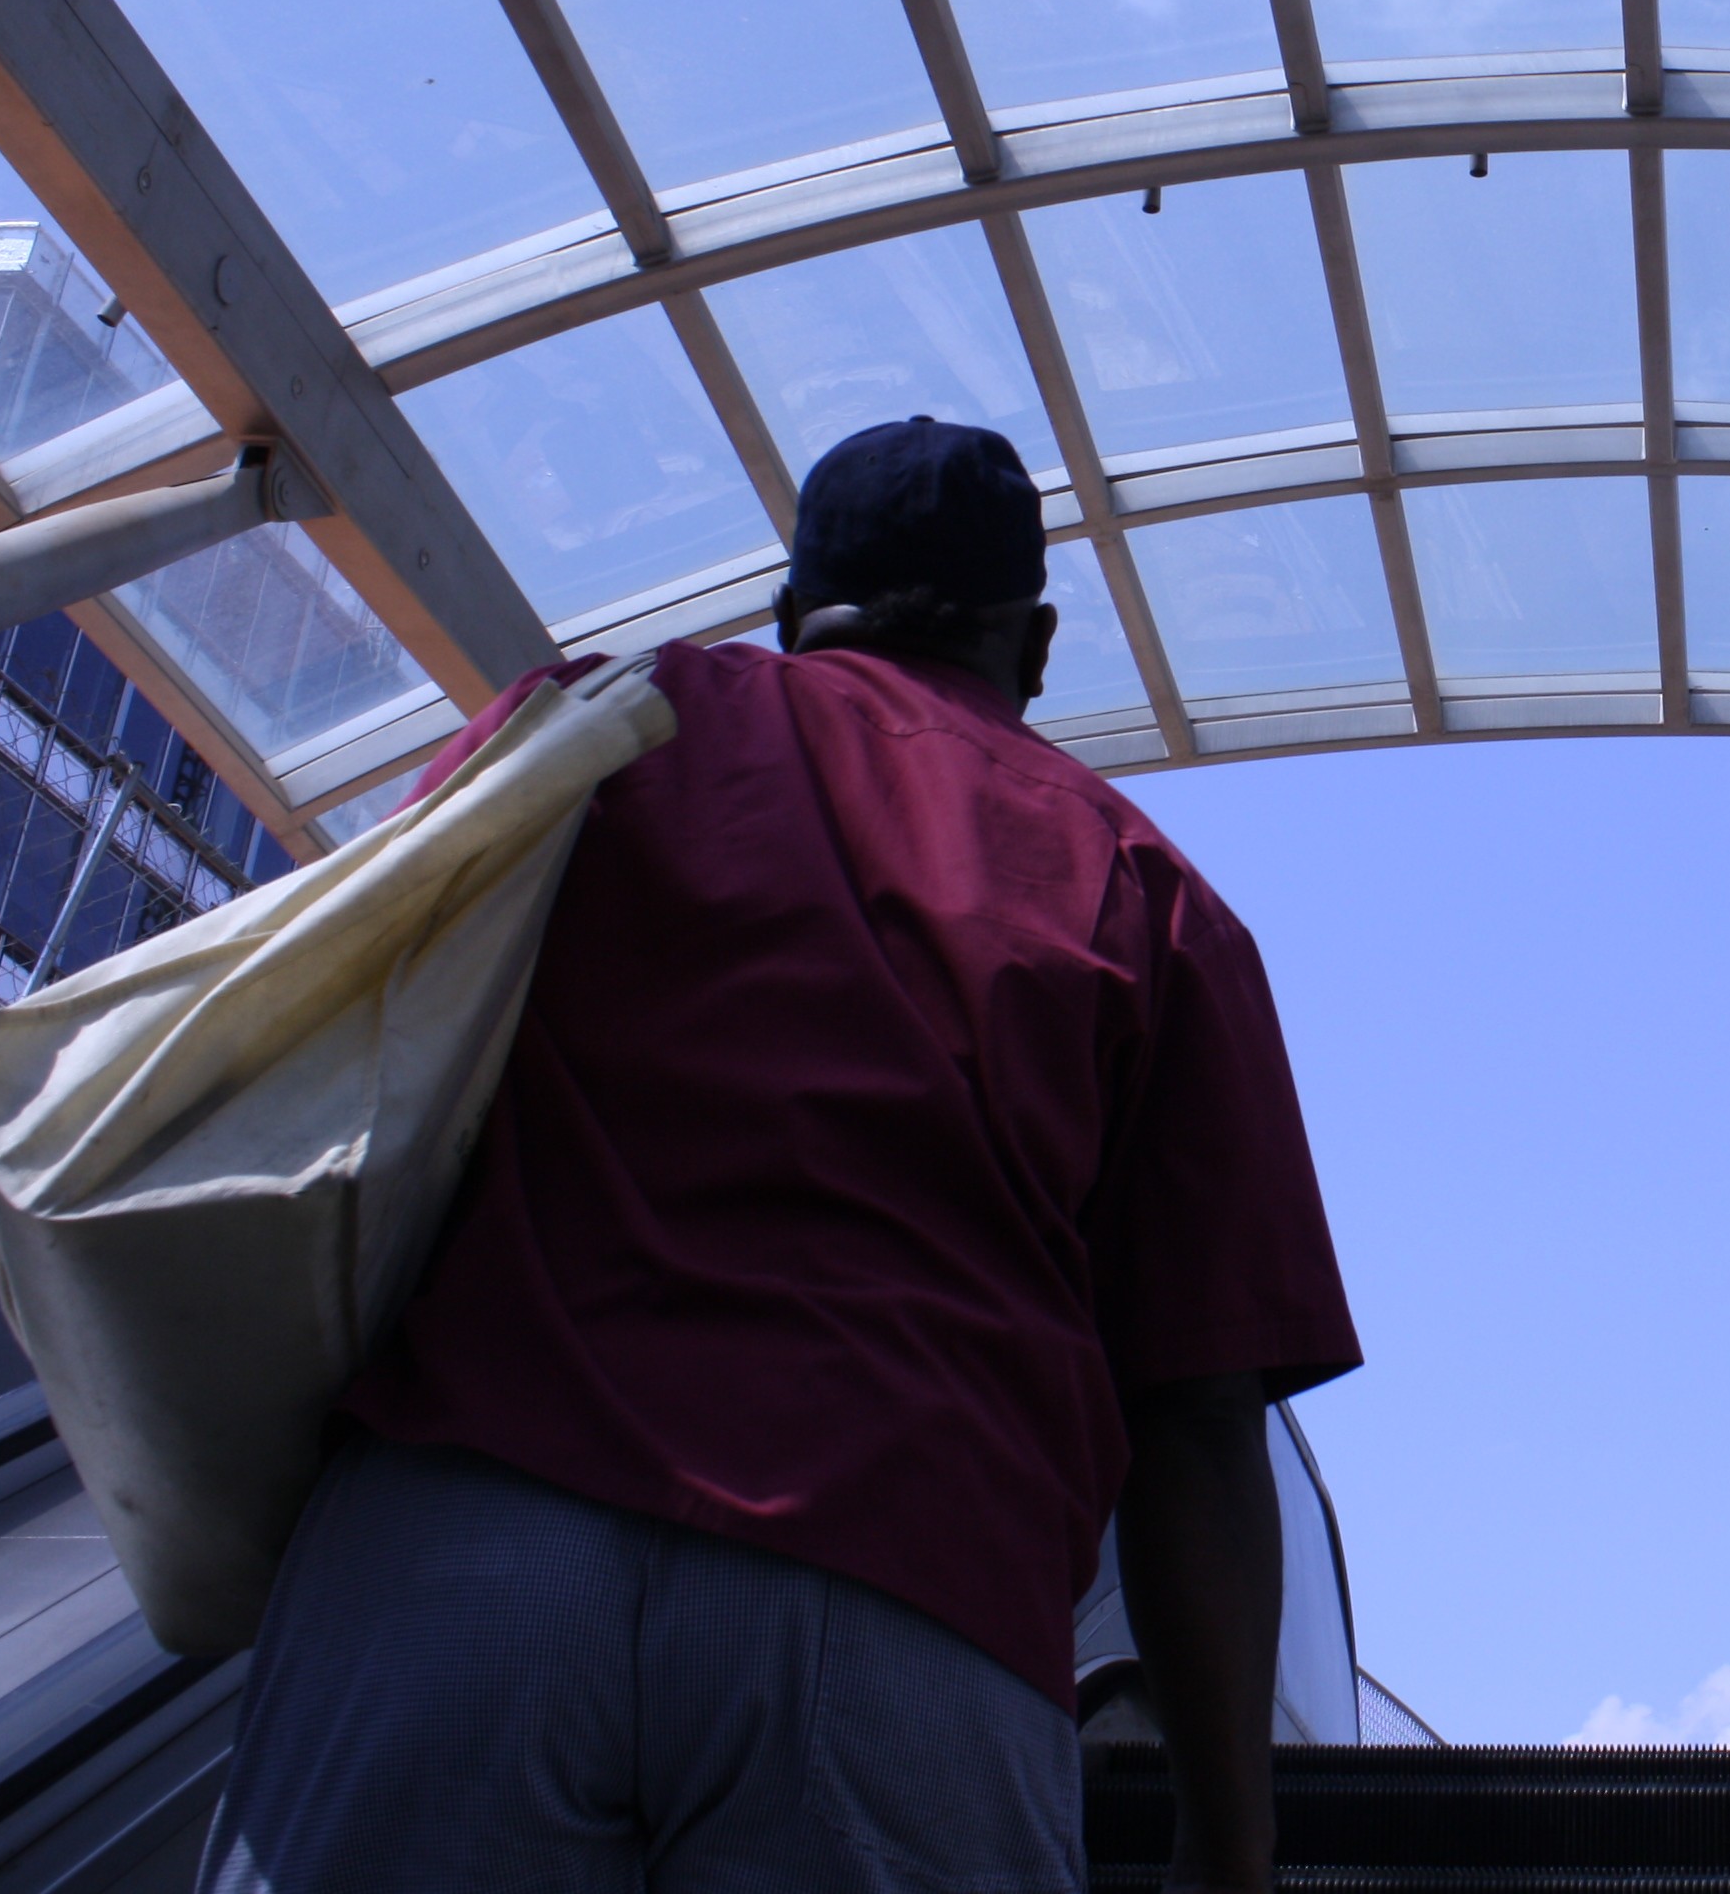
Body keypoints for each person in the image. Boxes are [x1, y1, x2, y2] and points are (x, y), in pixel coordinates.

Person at [197, 417, 1358, 1894]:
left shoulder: (602, 727)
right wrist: (1228, 1834)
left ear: (793, 606)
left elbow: (364, 1041)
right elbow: (1197, 1420)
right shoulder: (1151, 897)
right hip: (909, 1592)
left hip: (471, 1526)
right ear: (1039, 644)